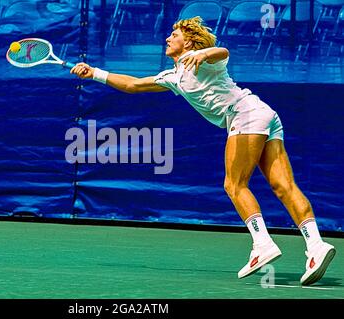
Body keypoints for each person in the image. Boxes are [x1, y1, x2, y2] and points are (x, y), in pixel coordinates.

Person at [70, 16, 336, 286]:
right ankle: (316, 246)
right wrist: (94, 73)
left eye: (174, 35)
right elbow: (133, 85)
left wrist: (205, 52)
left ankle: (262, 244)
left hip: (244, 116)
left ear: (188, 41)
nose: (167, 39)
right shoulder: (173, 76)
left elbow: (223, 52)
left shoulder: (203, 59)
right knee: (283, 186)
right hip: (265, 115)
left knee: (234, 185)